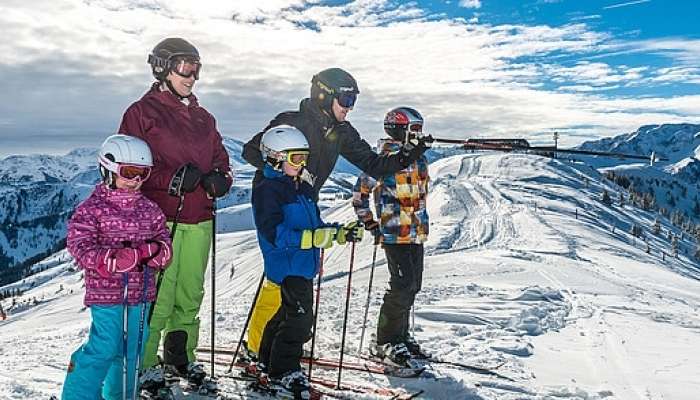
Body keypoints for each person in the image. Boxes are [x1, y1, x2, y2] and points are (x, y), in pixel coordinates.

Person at [241, 67, 430, 359]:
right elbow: (252, 151)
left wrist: (408, 154)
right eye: (345, 99)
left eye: (354, 100)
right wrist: (287, 177)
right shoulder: (292, 121)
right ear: (323, 95)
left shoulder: (341, 131)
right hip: (276, 204)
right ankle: (255, 349)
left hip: (306, 204)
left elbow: (373, 164)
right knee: (279, 278)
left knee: (299, 278)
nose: (349, 107)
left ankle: (281, 343)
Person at [118, 37, 233, 390]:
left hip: (199, 218)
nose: (192, 75)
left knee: (189, 293)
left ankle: (180, 357)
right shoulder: (142, 113)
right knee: (158, 296)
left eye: (197, 68)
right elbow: (127, 168)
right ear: (163, 67)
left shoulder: (204, 117)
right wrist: (172, 180)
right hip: (160, 220)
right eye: (185, 66)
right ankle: (146, 363)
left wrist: (220, 180)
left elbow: (221, 160)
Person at [252, 125, 361, 398]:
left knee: (282, 318)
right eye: (296, 158)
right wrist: (311, 239)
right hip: (287, 265)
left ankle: (267, 363)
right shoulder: (268, 190)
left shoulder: (301, 189)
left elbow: (317, 227)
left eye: (304, 158)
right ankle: (284, 371)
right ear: (275, 157)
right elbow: (273, 233)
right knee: (299, 321)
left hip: (301, 266)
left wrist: (339, 233)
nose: (302, 165)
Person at [62, 135, 173, 400]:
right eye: (129, 172)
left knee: (133, 349)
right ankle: (78, 395)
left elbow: (164, 245)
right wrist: (111, 258)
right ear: (108, 169)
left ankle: (121, 395)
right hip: (107, 293)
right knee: (106, 346)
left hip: (141, 293)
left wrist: (155, 253)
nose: (135, 180)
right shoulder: (92, 209)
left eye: (142, 174)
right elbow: (79, 246)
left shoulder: (150, 209)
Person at [352, 107, 431, 368]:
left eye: (420, 129)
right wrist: (371, 225)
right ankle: (384, 340)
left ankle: (400, 336)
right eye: (414, 129)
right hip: (394, 233)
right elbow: (359, 195)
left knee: (413, 286)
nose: (418, 135)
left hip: (415, 232)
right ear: (399, 129)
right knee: (401, 286)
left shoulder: (419, 158)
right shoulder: (383, 159)